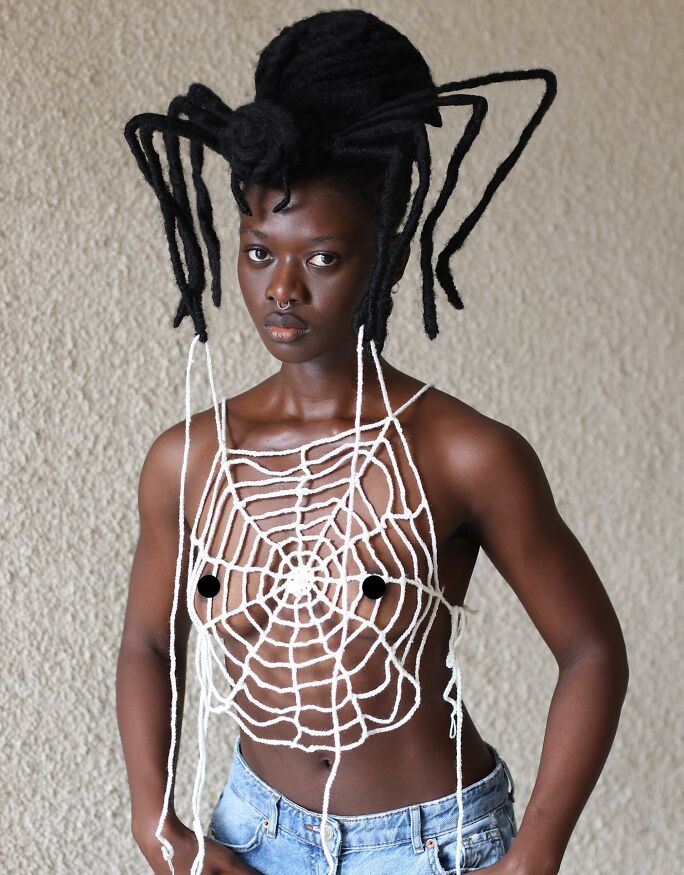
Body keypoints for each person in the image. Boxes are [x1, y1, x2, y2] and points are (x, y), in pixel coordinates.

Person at [116, 10, 629, 875]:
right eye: (256, 252)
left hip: (434, 846)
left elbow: (591, 651)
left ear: (384, 255)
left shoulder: (466, 452)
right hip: (246, 832)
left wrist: (537, 850)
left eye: (321, 258)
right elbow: (147, 643)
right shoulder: (190, 457)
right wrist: (158, 825)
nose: (281, 289)